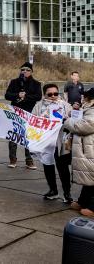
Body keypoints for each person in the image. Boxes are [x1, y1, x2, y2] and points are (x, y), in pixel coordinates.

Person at [32, 83, 72, 202]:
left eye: (56, 93)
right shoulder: (39, 106)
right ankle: (53, 191)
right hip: (46, 141)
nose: (53, 96)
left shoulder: (65, 105)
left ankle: (67, 193)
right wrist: (43, 118)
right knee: (48, 166)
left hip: (61, 141)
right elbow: (33, 121)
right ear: (45, 94)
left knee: (63, 168)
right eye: (50, 94)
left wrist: (67, 116)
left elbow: (73, 120)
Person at [4, 62, 41, 169]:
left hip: (29, 113)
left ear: (31, 71)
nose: (25, 71)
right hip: (15, 113)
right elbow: (7, 95)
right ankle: (12, 159)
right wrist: (17, 95)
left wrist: (26, 97)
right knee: (13, 136)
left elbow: (38, 96)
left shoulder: (36, 83)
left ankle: (29, 160)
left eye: (27, 70)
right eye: (23, 69)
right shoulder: (14, 82)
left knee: (28, 137)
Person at [64, 87, 94, 217]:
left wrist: (67, 120)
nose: (82, 99)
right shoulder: (89, 109)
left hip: (90, 149)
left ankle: (92, 207)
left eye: (84, 97)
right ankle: (83, 201)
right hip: (88, 149)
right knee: (89, 177)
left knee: (92, 177)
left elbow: (83, 126)